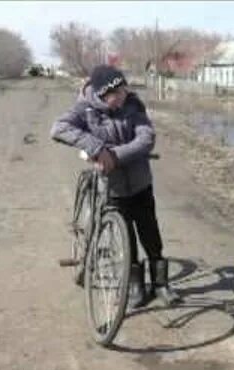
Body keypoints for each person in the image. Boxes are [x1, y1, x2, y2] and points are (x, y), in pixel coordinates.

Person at [50, 64, 181, 309]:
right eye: (116, 94)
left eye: (123, 91)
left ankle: (161, 284)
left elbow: (146, 137)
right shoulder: (85, 109)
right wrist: (97, 149)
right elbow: (58, 128)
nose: (122, 98)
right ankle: (135, 286)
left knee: (150, 234)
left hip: (140, 181)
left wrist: (115, 156)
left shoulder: (133, 105)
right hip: (111, 187)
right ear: (102, 94)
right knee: (126, 238)